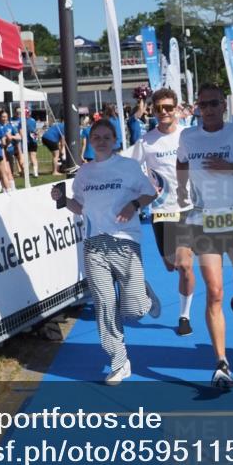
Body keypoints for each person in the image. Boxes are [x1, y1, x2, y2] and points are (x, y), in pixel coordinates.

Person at [51, 119, 160, 385]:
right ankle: (119, 362)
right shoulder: (84, 173)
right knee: (105, 305)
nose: (101, 140)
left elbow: (150, 193)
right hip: (94, 245)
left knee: (134, 310)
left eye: (106, 136)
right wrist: (62, 200)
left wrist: (133, 205)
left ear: (115, 140)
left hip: (125, 241)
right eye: (96, 136)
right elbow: (80, 207)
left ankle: (143, 293)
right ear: (90, 141)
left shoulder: (128, 167)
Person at [176, 84, 233, 390]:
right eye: (203, 105)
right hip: (203, 220)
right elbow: (180, 162)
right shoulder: (188, 137)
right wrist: (180, 187)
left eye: (214, 103)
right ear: (197, 108)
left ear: (223, 105)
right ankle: (221, 363)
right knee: (213, 291)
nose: (209, 109)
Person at [131, 88, 196, 336]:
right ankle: (145, 290)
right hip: (162, 212)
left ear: (177, 109)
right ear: (153, 110)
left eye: (169, 107)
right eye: (160, 108)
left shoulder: (189, 136)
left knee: (185, 265)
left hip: (189, 208)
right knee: (171, 265)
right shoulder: (146, 142)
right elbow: (125, 165)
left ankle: (184, 317)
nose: (165, 112)